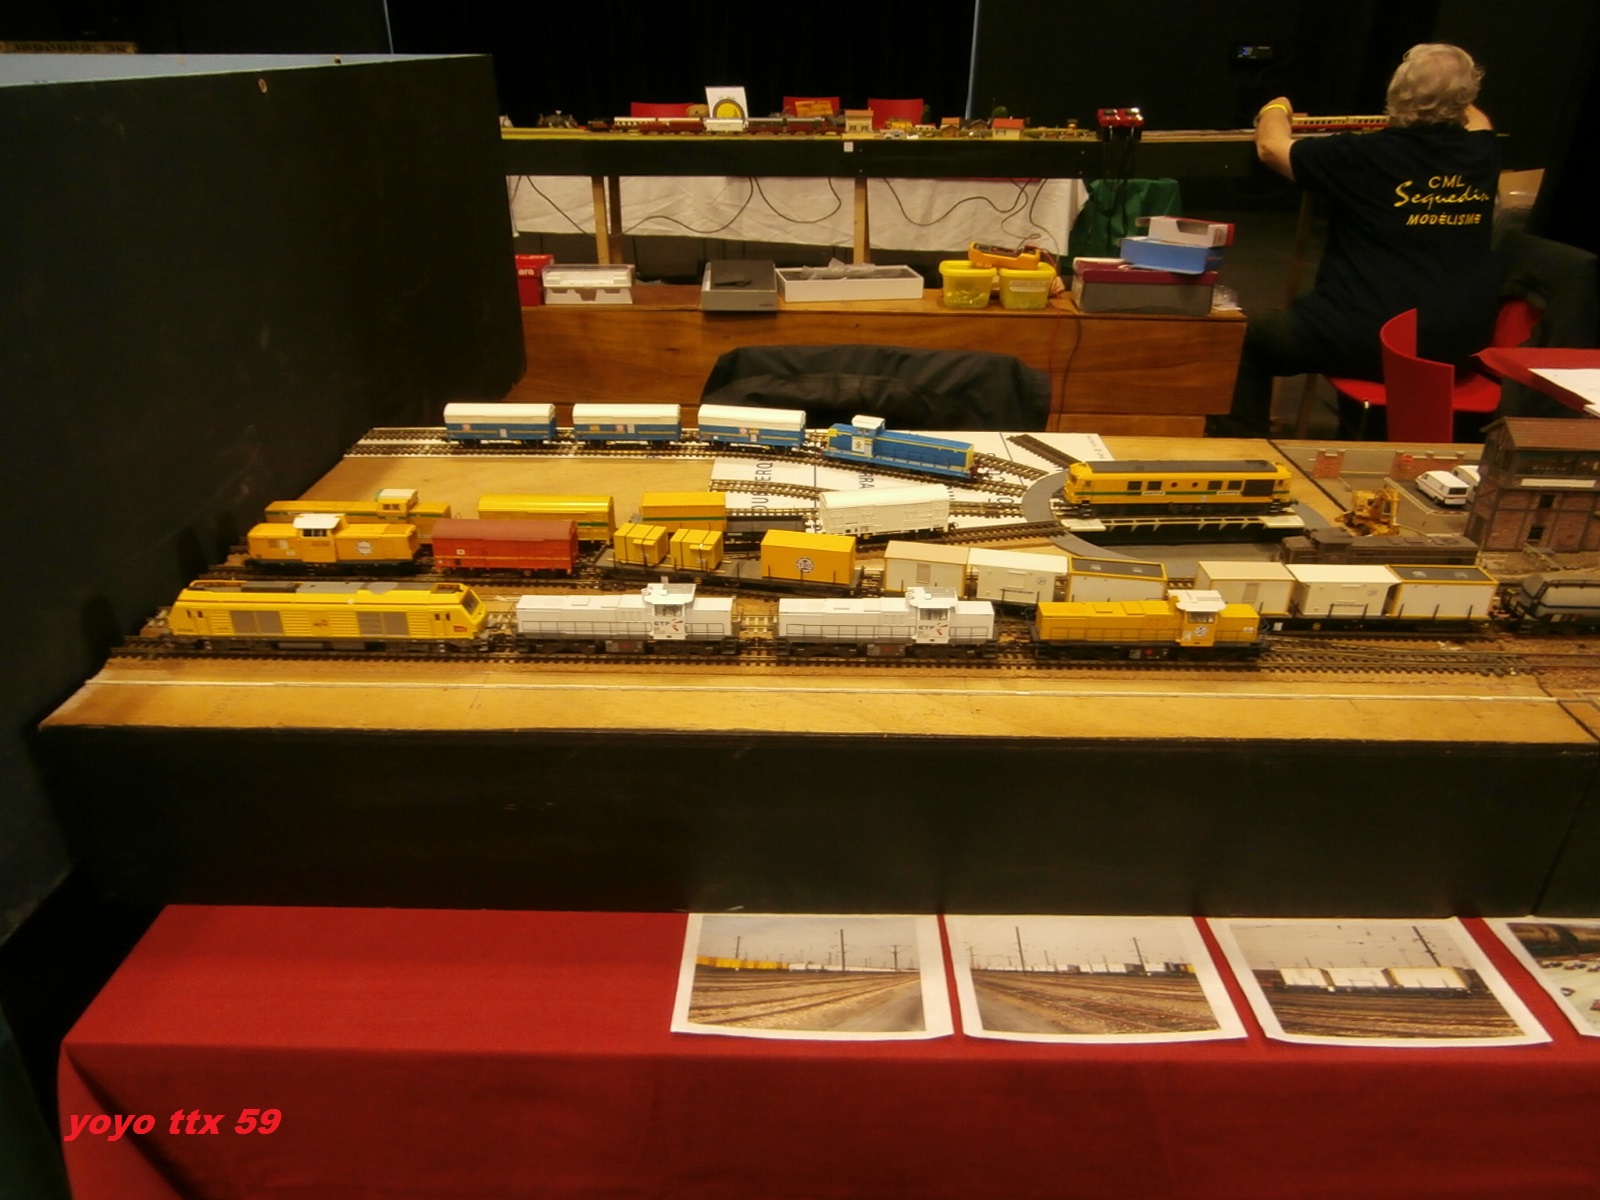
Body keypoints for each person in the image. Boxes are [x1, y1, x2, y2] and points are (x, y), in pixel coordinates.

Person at [1210, 43, 1501, 437]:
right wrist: (1451, 95)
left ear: (1395, 94)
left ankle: (1245, 453)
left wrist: (1276, 108)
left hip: (1364, 338)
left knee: (1244, 340)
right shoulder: (1481, 152)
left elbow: (1271, 148)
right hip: (1455, 346)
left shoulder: (1362, 155)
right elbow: (1478, 119)